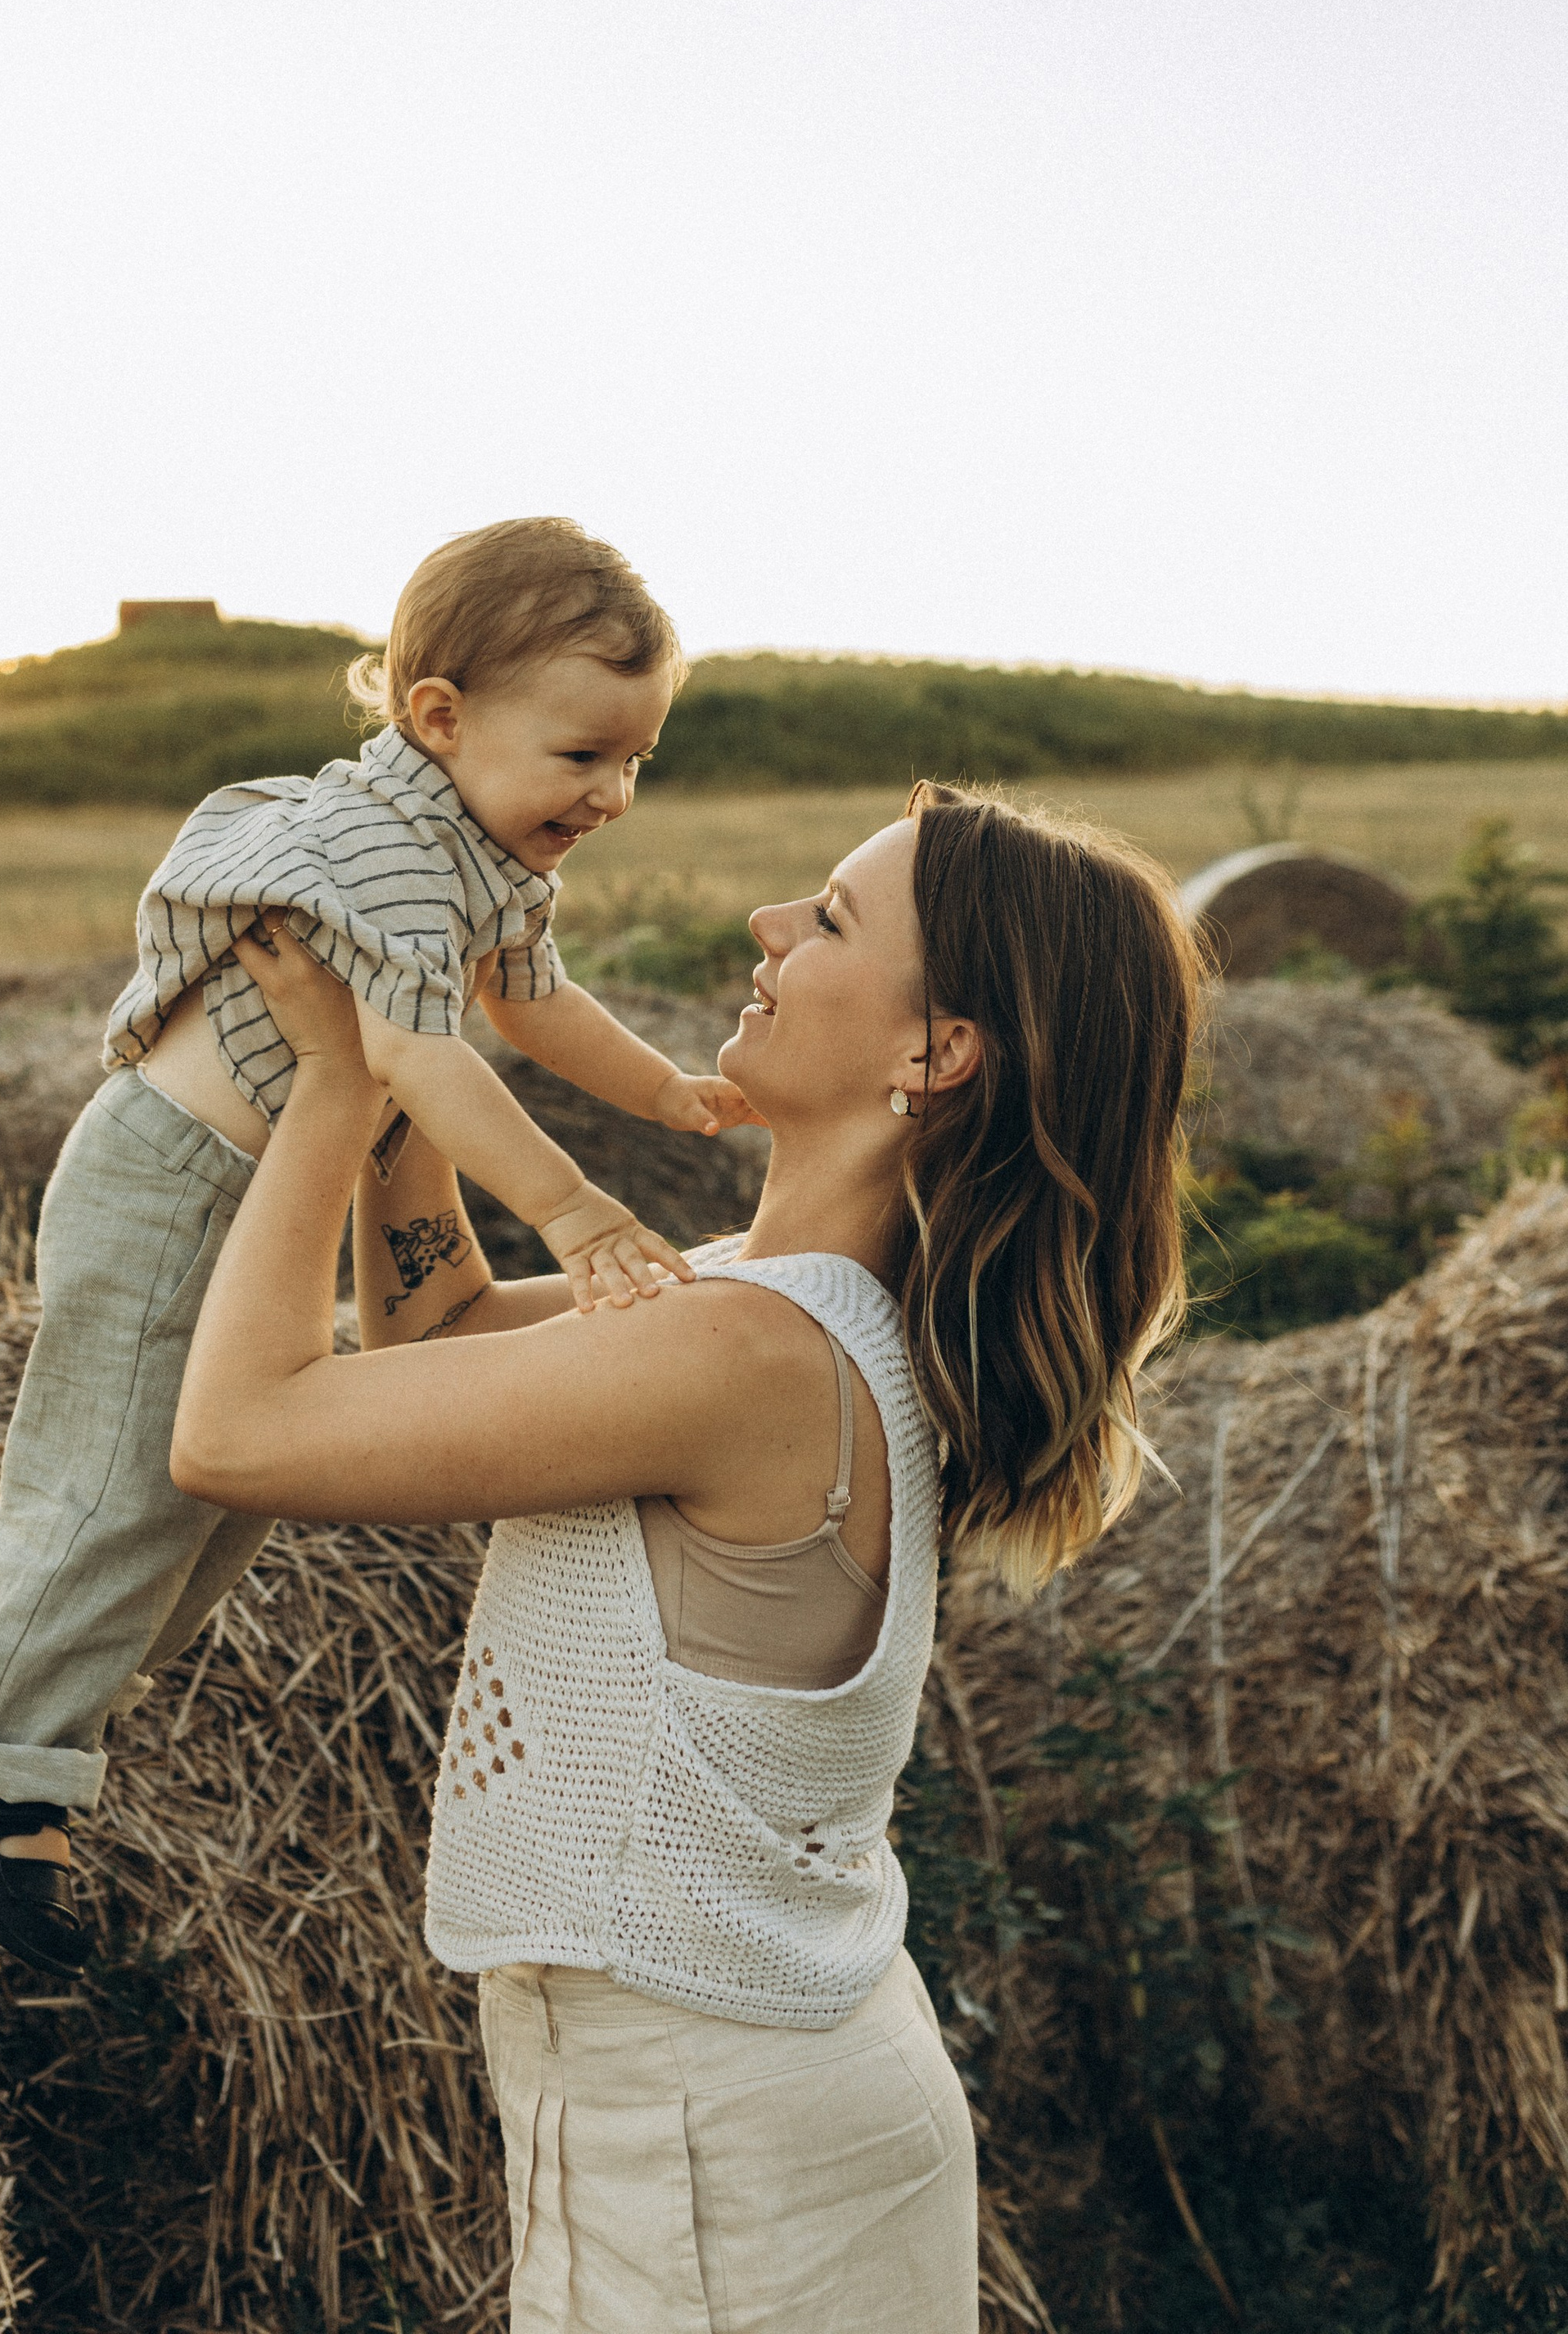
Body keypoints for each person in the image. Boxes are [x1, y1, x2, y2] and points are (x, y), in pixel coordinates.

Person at [171, 782, 1204, 2334]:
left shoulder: (749, 1354)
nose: (767, 926)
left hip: (720, 2151)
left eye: (833, 917)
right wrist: (414, 1051)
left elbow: (241, 1433)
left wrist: (332, 1080)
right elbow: (439, 1326)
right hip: (750, 2101)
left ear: (937, 1054)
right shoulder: (760, 1298)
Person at [0, 520, 753, 1973]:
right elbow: (421, 1058)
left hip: (266, 1186)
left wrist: (663, 1089)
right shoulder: (380, 846)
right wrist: (574, 1210)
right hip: (173, 1182)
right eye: (583, 756)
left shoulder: (481, 852)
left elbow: (535, 1004)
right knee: (112, 1480)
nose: (611, 793)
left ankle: (57, 1721)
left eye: (637, 763)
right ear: (440, 718)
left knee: (235, 1498)